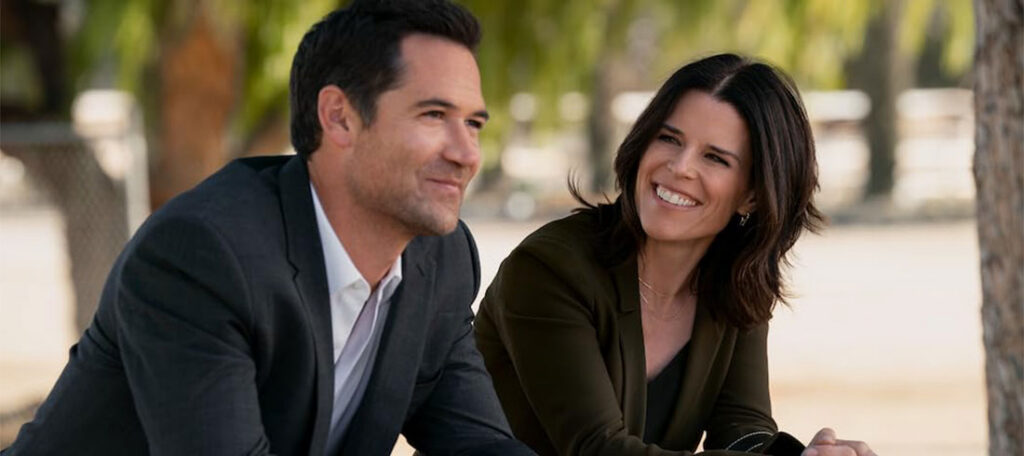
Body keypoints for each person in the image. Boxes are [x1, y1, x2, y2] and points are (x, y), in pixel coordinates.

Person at [6, 1, 535, 455]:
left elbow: (480, 444)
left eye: (473, 124)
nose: (467, 154)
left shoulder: (440, 260)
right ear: (339, 117)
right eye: (434, 115)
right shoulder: (204, 254)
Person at [474, 54, 876, 456]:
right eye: (669, 139)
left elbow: (741, 429)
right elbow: (598, 448)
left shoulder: (737, 280)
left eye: (715, 158)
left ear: (753, 195)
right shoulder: (549, 270)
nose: (680, 167)